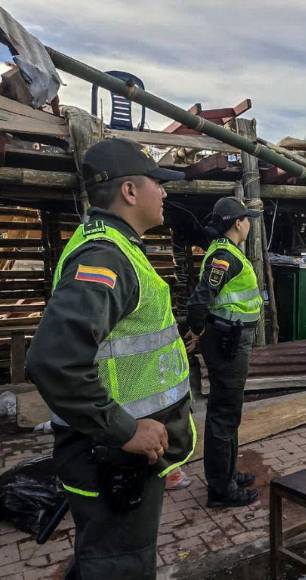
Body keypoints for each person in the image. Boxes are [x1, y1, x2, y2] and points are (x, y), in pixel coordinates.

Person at [26, 138, 194, 579]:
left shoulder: (116, 247)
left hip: (119, 456)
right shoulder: (105, 257)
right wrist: (124, 429)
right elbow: (53, 360)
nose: (164, 192)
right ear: (130, 192)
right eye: (157, 183)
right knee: (118, 568)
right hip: (112, 456)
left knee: (105, 562)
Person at [185, 197, 263, 508]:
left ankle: (228, 473)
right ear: (237, 223)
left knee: (230, 412)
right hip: (227, 341)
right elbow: (198, 301)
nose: (250, 223)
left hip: (230, 338)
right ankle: (221, 489)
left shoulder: (227, 253)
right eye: (247, 218)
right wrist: (196, 330)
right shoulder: (224, 257)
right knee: (223, 414)